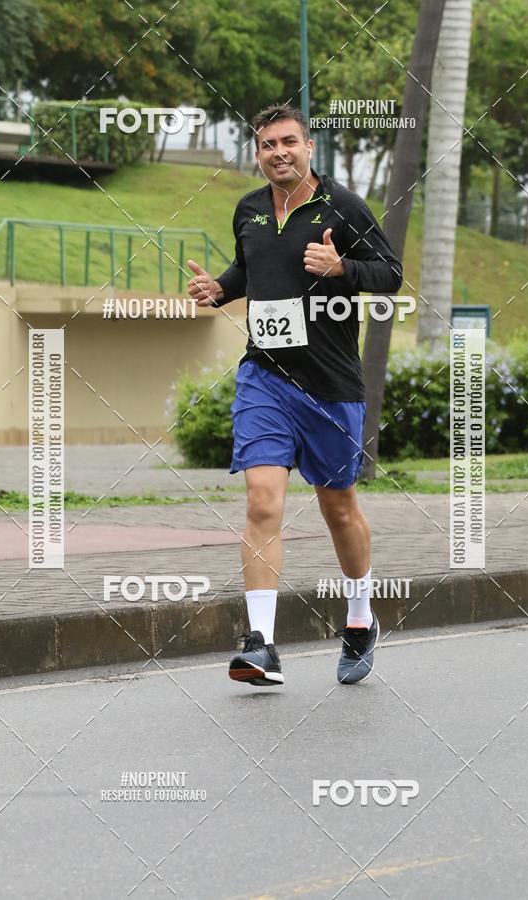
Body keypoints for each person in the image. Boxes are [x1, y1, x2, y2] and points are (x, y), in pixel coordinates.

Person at [187, 103, 402, 687]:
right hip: (265, 377)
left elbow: (390, 273)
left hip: (330, 385)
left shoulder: (343, 206)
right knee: (262, 501)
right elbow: (250, 269)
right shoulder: (249, 209)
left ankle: (360, 616)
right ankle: (261, 644)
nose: (278, 152)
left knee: (339, 508)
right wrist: (219, 289)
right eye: (267, 144)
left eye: (288, 142)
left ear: (309, 147)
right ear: (257, 153)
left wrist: (342, 268)